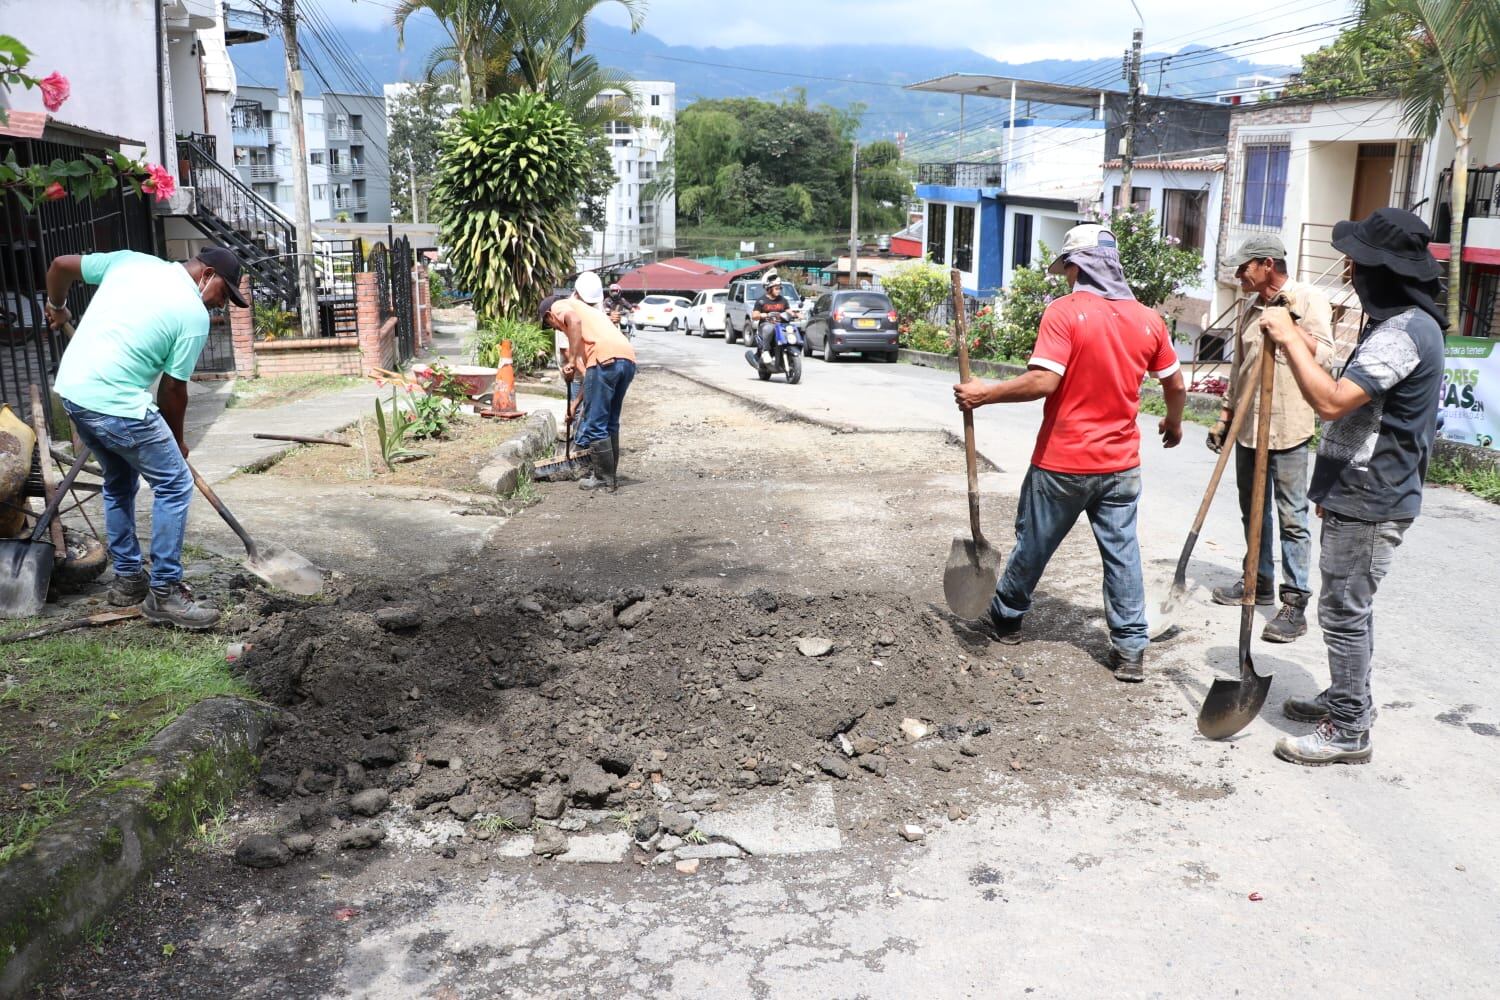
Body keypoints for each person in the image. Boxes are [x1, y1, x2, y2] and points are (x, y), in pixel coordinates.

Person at [954, 224, 1186, 682]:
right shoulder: (1149, 320)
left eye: (1066, 269)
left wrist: (985, 393)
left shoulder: (1065, 312)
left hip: (1063, 462)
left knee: (1034, 543)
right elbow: (1175, 385)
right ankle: (1130, 649)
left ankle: (1007, 618)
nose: (1065, 277)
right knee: (1122, 554)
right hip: (1121, 466)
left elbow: (1045, 380)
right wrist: (1174, 421)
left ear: (1077, 267)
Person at [1259, 208, 1445, 766]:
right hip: (1358, 491)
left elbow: (1332, 402)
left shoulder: (1406, 331)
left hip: (1372, 497)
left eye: (1358, 263)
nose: (1349, 272)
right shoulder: (1394, 327)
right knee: (1349, 606)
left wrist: (1289, 339)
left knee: (1343, 612)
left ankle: (1348, 727)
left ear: (1384, 272)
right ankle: (1348, 696)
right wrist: (1331, 487)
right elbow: (1359, 401)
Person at [43, 247, 247, 629]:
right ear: (207, 275)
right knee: (175, 484)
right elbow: (172, 390)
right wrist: (177, 442)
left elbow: (59, 266)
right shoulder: (192, 314)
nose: (221, 305)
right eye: (224, 293)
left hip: (74, 393)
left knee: (119, 481)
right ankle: (165, 592)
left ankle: (128, 580)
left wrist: (57, 306)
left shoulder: (130, 261)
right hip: (116, 403)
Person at [1208, 236, 1336, 643]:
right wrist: (1225, 417)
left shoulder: (1307, 299)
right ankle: (1257, 579)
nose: (1238, 274)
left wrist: (1288, 329)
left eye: (1244, 267)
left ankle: (1294, 602)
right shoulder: (1250, 308)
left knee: (1292, 517)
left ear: (1267, 264)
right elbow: (1239, 369)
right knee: (1252, 511)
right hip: (1248, 428)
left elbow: (1326, 355)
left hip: (1288, 427)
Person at [540, 288, 637, 492]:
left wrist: (572, 360)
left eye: (550, 325)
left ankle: (603, 478)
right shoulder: (590, 313)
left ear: (549, 315)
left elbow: (573, 321)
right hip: (627, 359)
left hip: (604, 361)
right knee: (610, 421)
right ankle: (610, 476)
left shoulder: (560, 305)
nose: (556, 329)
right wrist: (574, 405)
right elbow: (591, 378)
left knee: (595, 424)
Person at [747, 274, 794, 368]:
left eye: (779, 288)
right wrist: (763, 315)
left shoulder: (783, 300)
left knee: (792, 329)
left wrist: (796, 314)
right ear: (769, 289)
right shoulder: (761, 301)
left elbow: (789, 311)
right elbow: (754, 316)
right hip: (766, 325)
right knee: (769, 328)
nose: (778, 290)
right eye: (776, 288)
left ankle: (791, 350)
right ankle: (765, 351)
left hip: (781, 326)